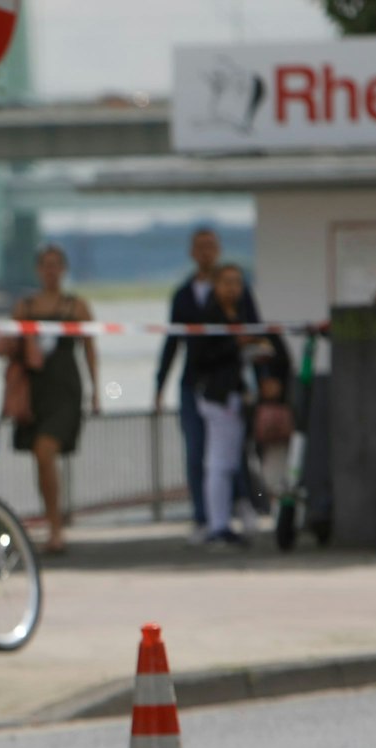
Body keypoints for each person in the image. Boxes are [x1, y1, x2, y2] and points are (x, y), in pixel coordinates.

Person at [154, 227, 260, 544]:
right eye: (199, 247)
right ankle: (206, 516)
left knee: (233, 454)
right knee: (200, 453)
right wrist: (160, 383)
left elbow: (258, 331)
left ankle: (239, 506)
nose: (205, 252)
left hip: (232, 384)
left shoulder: (238, 297)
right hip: (199, 383)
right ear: (192, 252)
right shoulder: (186, 296)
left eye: (210, 246)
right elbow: (175, 342)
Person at [0, 243, 99, 555]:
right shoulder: (24, 306)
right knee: (42, 457)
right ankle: (52, 521)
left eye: (56, 265)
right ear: (39, 270)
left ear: (63, 269)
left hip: (64, 389)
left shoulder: (76, 306)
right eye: (45, 265)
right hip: (33, 390)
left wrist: (96, 390)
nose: (51, 271)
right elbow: (7, 348)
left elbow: (91, 349)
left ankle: (55, 528)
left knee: (46, 449)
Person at [184, 264, 280, 549]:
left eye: (237, 283)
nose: (232, 289)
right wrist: (235, 346)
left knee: (231, 462)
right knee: (218, 464)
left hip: (238, 395)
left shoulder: (241, 315)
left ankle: (230, 518)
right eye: (226, 282)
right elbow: (198, 360)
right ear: (215, 285)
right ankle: (217, 524)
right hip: (217, 397)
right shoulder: (208, 317)